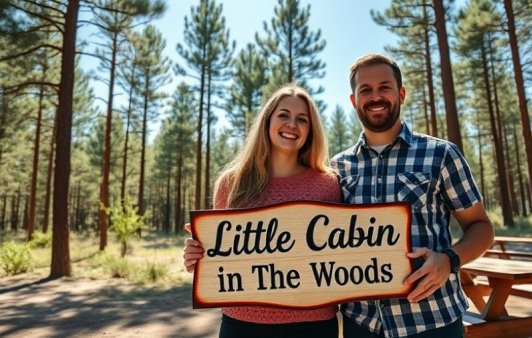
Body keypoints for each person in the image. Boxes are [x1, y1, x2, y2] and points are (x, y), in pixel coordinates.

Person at [330, 53, 494, 338]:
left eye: (384, 87)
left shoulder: (441, 154)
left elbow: (482, 228)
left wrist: (449, 261)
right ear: (354, 101)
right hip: (361, 323)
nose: (375, 96)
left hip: (432, 320)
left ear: (401, 94)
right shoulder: (337, 168)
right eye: (365, 90)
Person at [182, 83, 341, 338]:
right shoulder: (231, 183)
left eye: (302, 119)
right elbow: (216, 258)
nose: (292, 124)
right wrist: (196, 256)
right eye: (283, 115)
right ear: (267, 121)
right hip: (242, 325)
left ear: (311, 131)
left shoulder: (328, 185)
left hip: (314, 325)